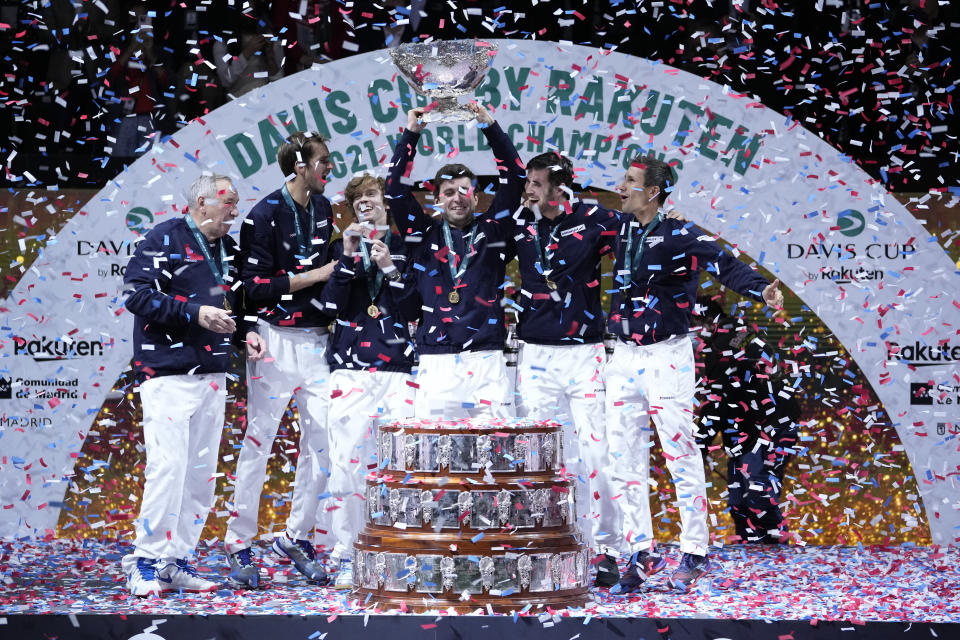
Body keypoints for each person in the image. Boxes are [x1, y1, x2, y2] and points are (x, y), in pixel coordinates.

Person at [605, 155, 783, 594]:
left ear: (652, 192)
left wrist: (762, 289)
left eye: (629, 181)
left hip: (667, 356)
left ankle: (694, 551)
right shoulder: (616, 228)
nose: (620, 186)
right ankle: (641, 552)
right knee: (623, 458)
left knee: (680, 455)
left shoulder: (681, 232)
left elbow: (724, 265)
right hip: (622, 357)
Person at [121, 173, 267, 597]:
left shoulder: (229, 248)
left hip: (213, 375)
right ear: (201, 202)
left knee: (201, 477)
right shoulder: (164, 237)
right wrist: (195, 314)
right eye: (228, 203)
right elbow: (135, 293)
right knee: (167, 470)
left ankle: (175, 562)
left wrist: (246, 334)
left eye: (237, 204)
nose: (235, 212)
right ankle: (143, 561)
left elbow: (240, 303)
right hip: (167, 374)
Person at [223, 131, 339, 588]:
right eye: (323, 162)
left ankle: (296, 535)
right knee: (260, 441)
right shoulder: (263, 215)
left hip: (317, 342)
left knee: (321, 444)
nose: (329, 169)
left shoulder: (326, 209)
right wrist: (316, 275)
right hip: (273, 340)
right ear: (299, 167)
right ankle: (238, 541)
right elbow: (253, 287)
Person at [510, 152, 622, 585]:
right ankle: (544, 542)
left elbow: (638, 245)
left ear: (560, 187)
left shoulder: (595, 218)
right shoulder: (520, 221)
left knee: (596, 453)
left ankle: (607, 549)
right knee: (539, 458)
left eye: (536, 183)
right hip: (535, 353)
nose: (530, 190)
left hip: (584, 353)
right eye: (528, 183)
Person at [385, 105, 524, 418]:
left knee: (497, 456)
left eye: (465, 190)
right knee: (435, 461)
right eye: (448, 191)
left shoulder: (493, 231)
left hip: (486, 359)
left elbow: (515, 178)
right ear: (437, 199)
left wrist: (490, 125)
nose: (457, 197)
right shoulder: (421, 233)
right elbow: (394, 190)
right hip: (437, 363)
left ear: (476, 198)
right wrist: (412, 133)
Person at [319, 173, 418, 587]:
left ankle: (399, 549)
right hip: (350, 370)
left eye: (371, 195)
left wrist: (388, 267)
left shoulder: (409, 247)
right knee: (345, 467)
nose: (364, 202)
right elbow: (328, 306)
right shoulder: (341, 250)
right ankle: (346, 552)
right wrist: (347, 256)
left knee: (402, 468)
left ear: (385, 202)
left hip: (399, 370)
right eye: (357, 197)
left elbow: (415, 306)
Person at [694, 300, 800, 544]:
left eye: (692, 324)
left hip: (767, 427)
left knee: (756, 488)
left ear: (706, 322)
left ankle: (771, 538)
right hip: (754, 428)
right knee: (740, 496)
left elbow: (717, 402)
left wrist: (699, 443)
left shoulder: (721, 347)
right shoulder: (740, 333)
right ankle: (753, 540)